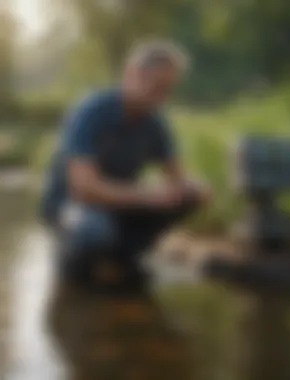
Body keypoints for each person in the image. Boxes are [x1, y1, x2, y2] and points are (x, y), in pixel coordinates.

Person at [40, 40, 211, 294]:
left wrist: (192, 188)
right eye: (157, 87)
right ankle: (74, 275)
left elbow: (177, 176)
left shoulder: (156, 123)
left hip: (117, 207)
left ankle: (126, 254)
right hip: (71, 207)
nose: (162, 98)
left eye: (168, 90)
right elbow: (84, 189)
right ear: (132, 74)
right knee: (93, 230)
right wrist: (149, 197)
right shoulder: (91, 112)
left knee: (190, 197)